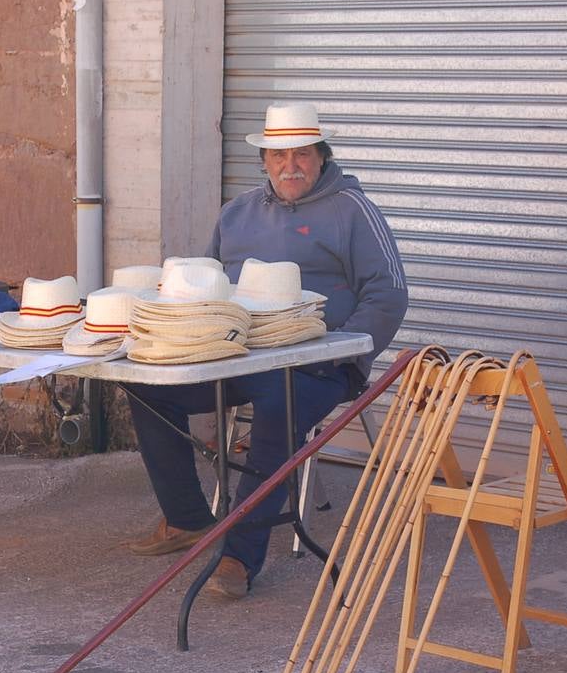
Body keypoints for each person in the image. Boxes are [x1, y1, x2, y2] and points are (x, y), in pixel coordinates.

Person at [125, 101, 409, 599]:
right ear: (264, 162)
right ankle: (187, 516)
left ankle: (239, 553)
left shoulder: (352, 210)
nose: (290, 166)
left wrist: (340, 349)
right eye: (278, 156)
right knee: (148, 384)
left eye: (301, 154)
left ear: (322, 156)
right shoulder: (236, 214)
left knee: (280, 404)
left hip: (318, 364)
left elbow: (388, 294)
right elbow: (208, 288)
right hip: (238, 354)